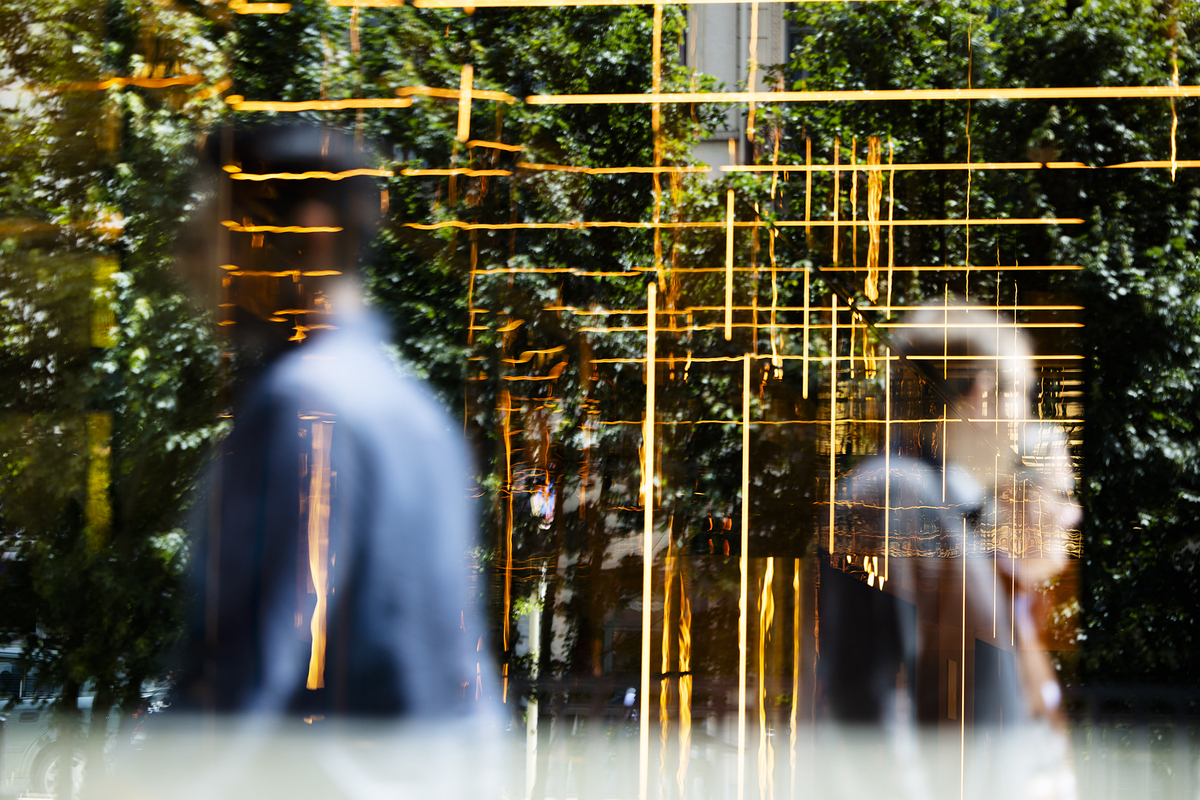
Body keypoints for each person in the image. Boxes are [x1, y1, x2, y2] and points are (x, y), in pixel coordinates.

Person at [169, 123, 490, 719]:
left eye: (218, 232)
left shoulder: (304, 409)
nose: (190, 262)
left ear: (307, 240)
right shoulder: (418, 416)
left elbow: (242, 684)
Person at [817, 301, 1081, 798]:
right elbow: (870, 709)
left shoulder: (940, 511)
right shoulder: (894, 495)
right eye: (1023, 396)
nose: (1027, 421)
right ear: (983, 393)